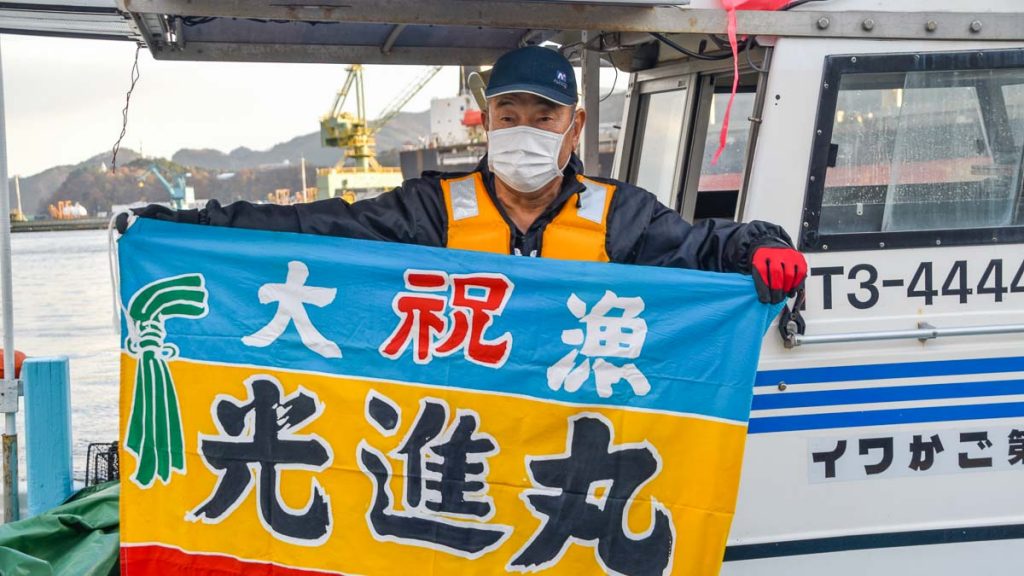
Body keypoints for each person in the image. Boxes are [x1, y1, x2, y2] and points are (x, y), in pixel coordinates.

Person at [121, 46, 806, 304]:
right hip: (459, 444)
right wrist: (186, 229)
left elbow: (706, 247)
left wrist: (764, 244)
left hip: (575, 449)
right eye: (511, 113)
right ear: (486, 121)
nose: (527, 130)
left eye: (546, 115)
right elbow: (306, 226)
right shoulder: (429, 211)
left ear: (575, 125)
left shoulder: (621, 215)